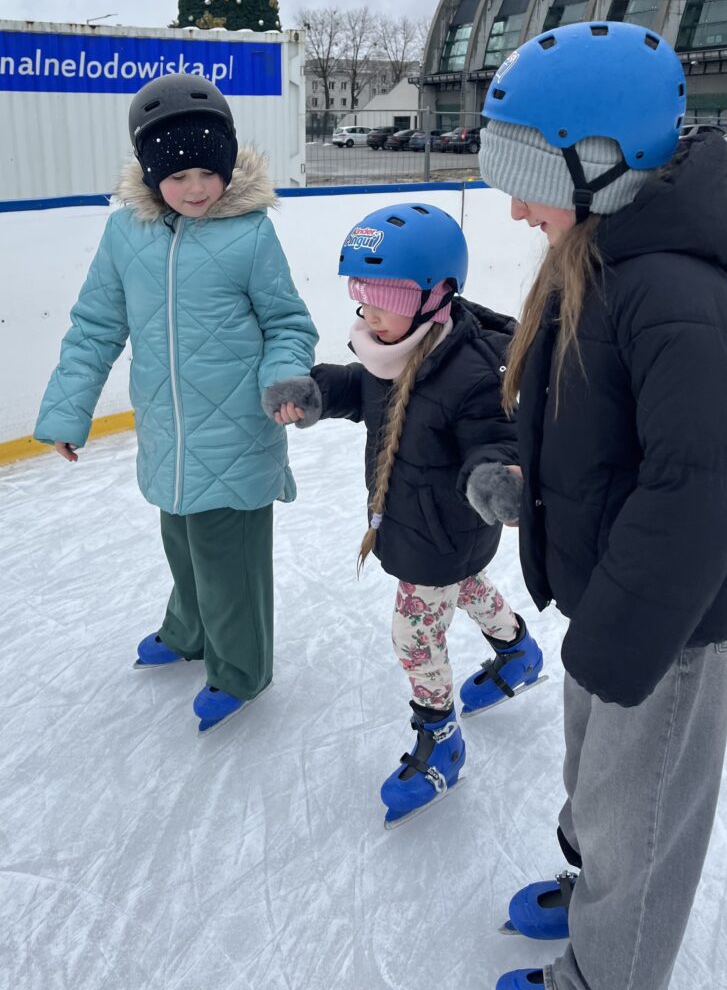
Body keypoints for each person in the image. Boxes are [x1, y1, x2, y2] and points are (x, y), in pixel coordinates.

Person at [478, 21, 727, 989]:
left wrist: (621, 633)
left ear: (603, 166)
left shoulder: (676, 301)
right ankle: (593, 891)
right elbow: (605, 441)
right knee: (596, 781)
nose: (518, 205)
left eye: (529, 172)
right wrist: (533, 496)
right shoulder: (602, 267)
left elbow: (696, 493)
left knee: (639, 809)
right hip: (621, 593)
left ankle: (605, 973)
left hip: (671, 614)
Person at [34, 74, 318, 734]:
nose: (195, 188)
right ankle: (188, 631)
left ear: (227, 166)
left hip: (239, 433)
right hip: (168, 436)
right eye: (177, 174)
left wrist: (283, 381)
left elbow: (288, 325)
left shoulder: (248, 235)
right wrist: (67, 409)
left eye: (206, 172)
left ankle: (241, 670)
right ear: (149, 171)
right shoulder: (125, 235)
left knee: (229, 562)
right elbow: (95, 326)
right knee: (184, 545)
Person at [262, 202, 544, 826]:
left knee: (414, 637)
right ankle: (519, 652)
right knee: (467, 588)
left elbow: (496, 434)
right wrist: (314, 393)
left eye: (385, 295)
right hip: (428, 528)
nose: (369, 312)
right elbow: (359, 388)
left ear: (437, 296)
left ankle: (442, 740)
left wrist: (493, 478)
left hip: (442, 530)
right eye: (363, 294)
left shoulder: (469, 371)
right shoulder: (392, 349)